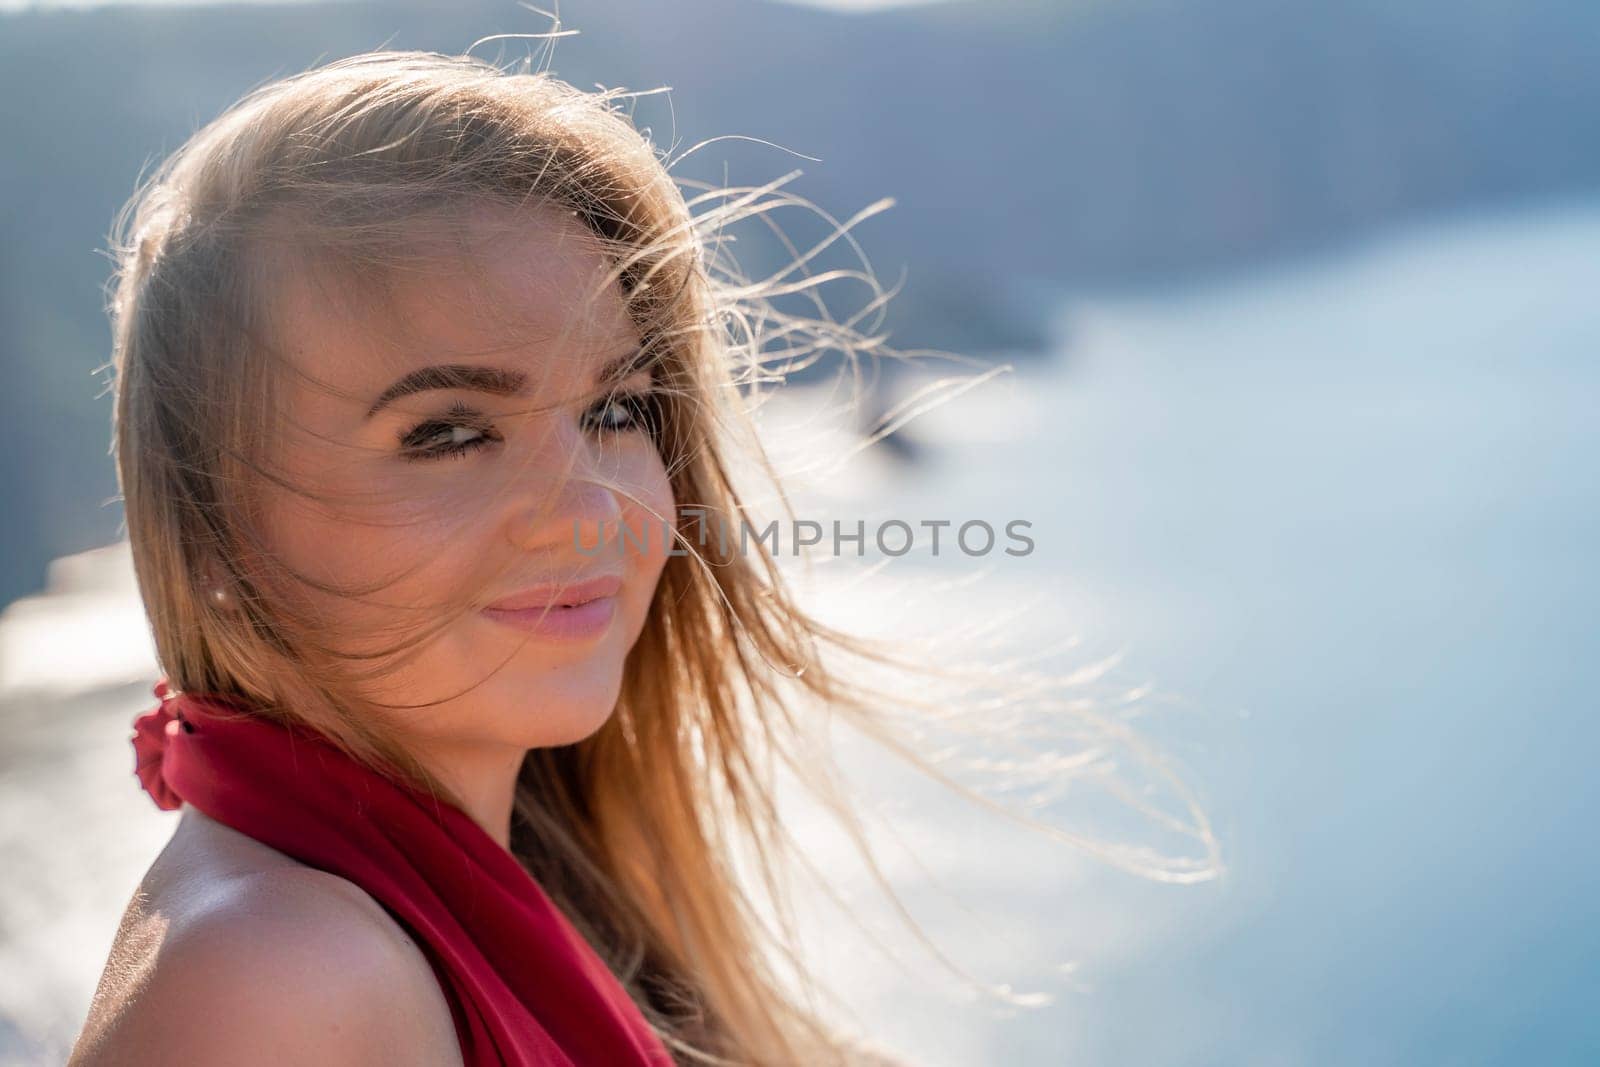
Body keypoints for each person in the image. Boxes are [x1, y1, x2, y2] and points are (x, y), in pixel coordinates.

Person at [67, 48, 937, 1066]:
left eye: (616, 409)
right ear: (213, 518)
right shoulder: (281, 979)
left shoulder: (505, 905)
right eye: (446, 432)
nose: (592, 510)